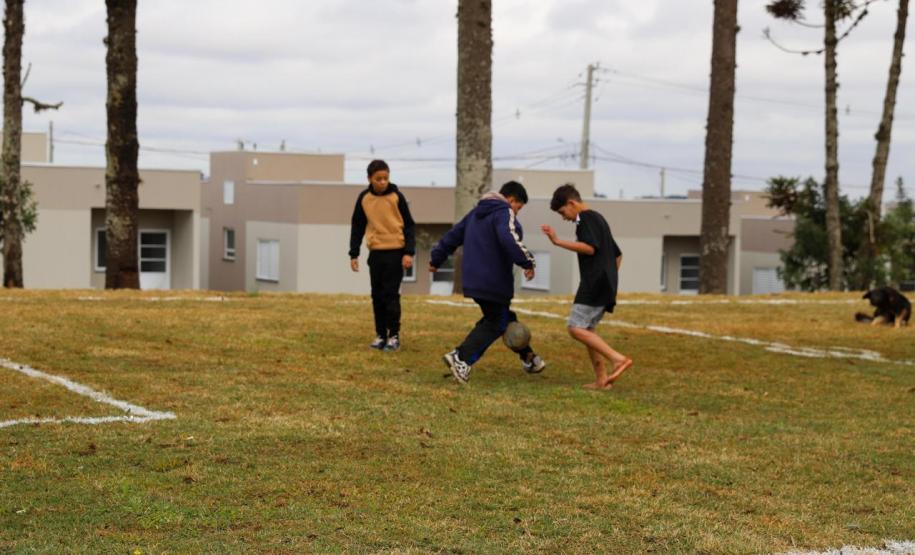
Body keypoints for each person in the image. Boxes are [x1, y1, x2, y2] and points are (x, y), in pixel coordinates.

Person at [429, 181, 546, 384]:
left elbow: (453, 236)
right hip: (494, 280)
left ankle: (529, 358)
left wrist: (436, 258)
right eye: (518, 207)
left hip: (473, 279)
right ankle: (461, 358)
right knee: (497, 322)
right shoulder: (504, 212)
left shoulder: (475, 214)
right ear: (511, 200)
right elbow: (508, 237)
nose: (517, 212)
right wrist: (528, 261)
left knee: (503, 317)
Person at [542, 183, 632, 390]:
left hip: (594, 283)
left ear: (572, 203)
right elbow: (617, 254)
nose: (564, 217)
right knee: (588, 330)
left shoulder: (586, 219)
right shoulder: (599, 219)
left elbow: (589, 248)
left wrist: (557, 241)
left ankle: (618, 359)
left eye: (563, 212)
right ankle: (601, 380)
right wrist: (610, 278)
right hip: (605, 283)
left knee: (575, 328)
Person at [349, 159, 415, 352]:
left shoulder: (396, 197)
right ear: (370, 179)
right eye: (378, 179)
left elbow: (409, 225)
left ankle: (394, 335)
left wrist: (409, 252)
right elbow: (357, 227)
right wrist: (354, 253)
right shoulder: (364, 199)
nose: (383, 182)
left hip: (396, 252)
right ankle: (380, 335)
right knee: (377, 295)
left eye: (385, 178)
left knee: (391, 295)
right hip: (376, 253)